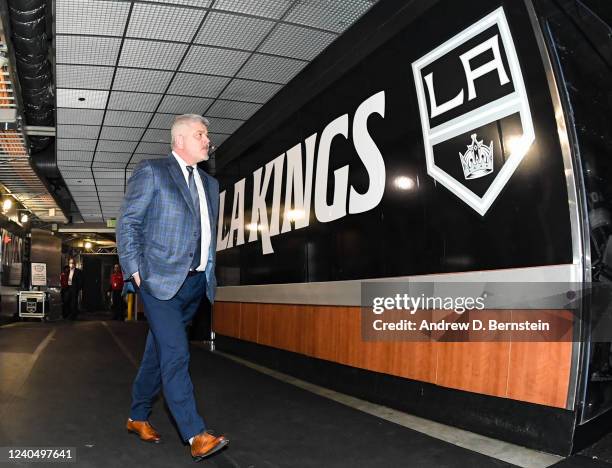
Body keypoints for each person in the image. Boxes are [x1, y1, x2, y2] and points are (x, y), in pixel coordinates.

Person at [116, 114, 227, 462]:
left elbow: (204, 235)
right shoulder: (153, 171)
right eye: (200, 134)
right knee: (177, 353)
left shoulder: (210, 184)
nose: (207, 140)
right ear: (179, 140)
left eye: (206, 135)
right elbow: (129, 222)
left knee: (158, 354)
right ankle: (195, 434)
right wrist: (134, 269)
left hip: (194, 284)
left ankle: (137, 416)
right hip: (158, 281)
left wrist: (208, 273)